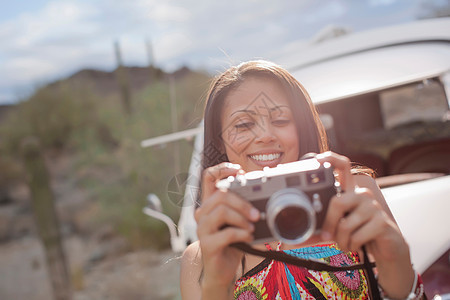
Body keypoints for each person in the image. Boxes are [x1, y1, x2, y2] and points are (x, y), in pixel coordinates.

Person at [180, 60, 424, 299]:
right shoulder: (201, 259)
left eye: (281, 120)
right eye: (243, 124)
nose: (265, 135)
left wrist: (398, 264)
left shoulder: (352, 195)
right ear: (220, 142)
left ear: (300, 126)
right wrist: (217, 285)